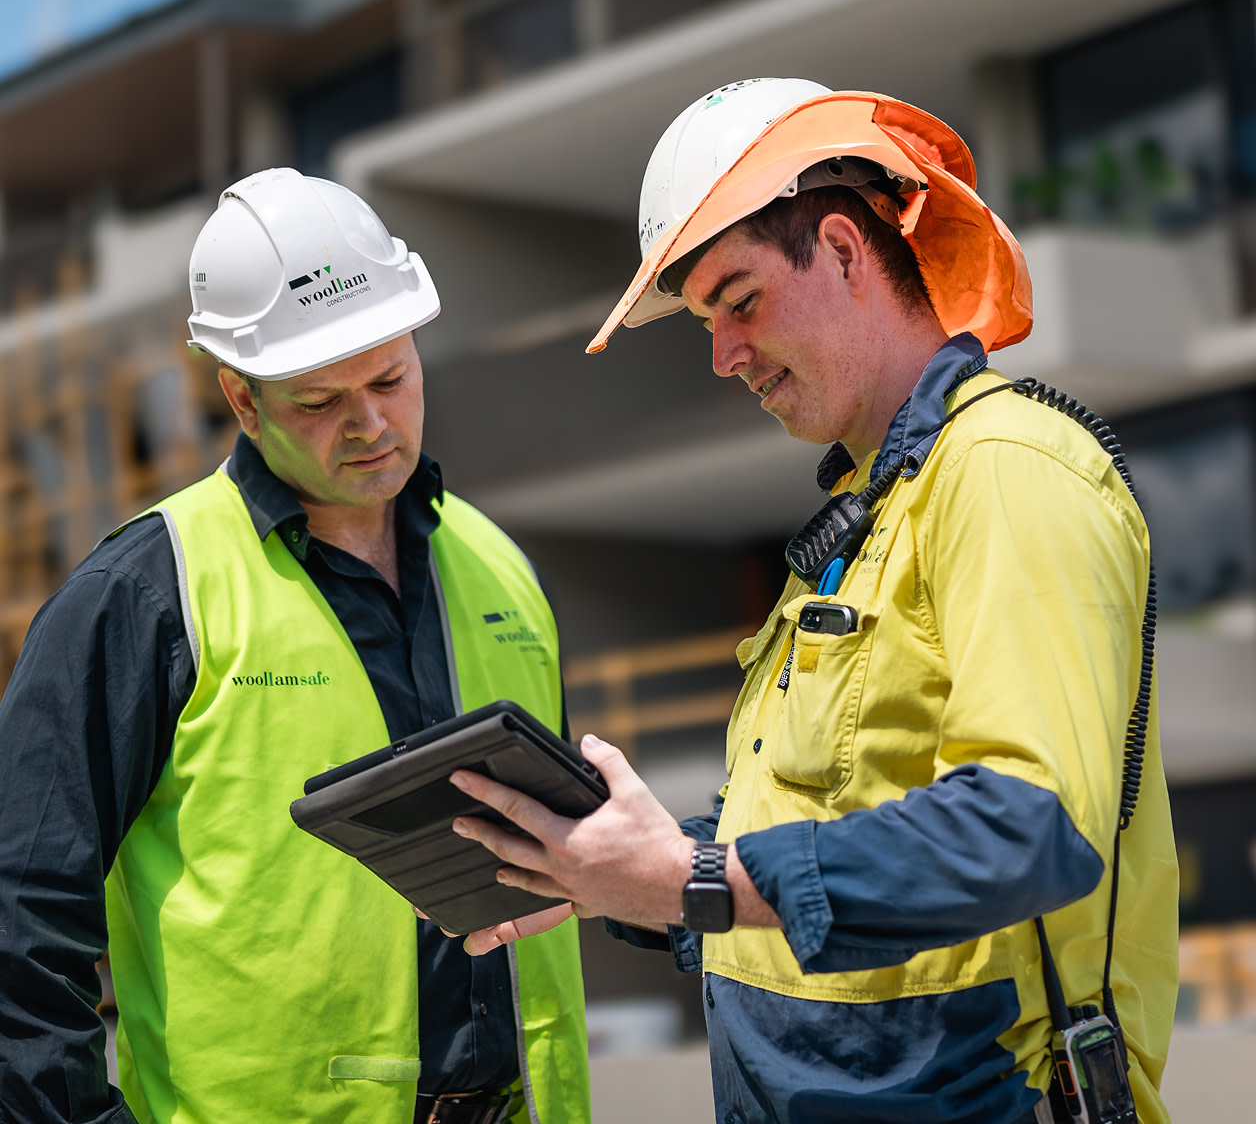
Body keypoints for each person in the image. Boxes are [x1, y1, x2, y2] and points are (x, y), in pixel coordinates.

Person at [434, 82, 1177, 1124]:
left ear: (839, 247)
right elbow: (810, 831)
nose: (722, 354)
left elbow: (1028, 828)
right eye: (703, 320)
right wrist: (609, 871)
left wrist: (696, 878)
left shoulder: (1004, 468)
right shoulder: (864, 509)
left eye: (737, 300)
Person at [0, 169, 590, 1124]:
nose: (369, 425)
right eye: (319, 402)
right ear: (241, 398)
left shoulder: (500, 569)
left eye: (391, 379)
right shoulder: (146, 596)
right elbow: (19, 915)